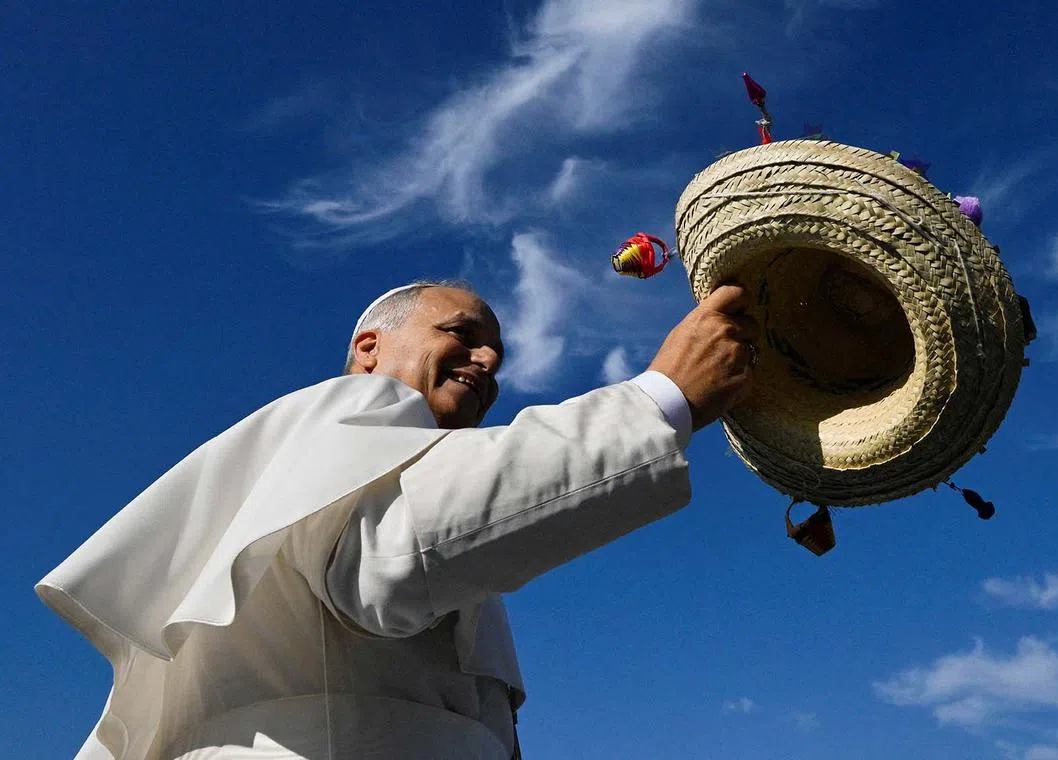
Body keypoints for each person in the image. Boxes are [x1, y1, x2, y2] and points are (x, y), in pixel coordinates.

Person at [37, 279, 758, 760]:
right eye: (462, 332)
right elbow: (383, 566)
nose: (487, 359)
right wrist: (662, 399)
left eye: (497, 354)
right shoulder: (355, 407)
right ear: (368, 349)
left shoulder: (387, 464)